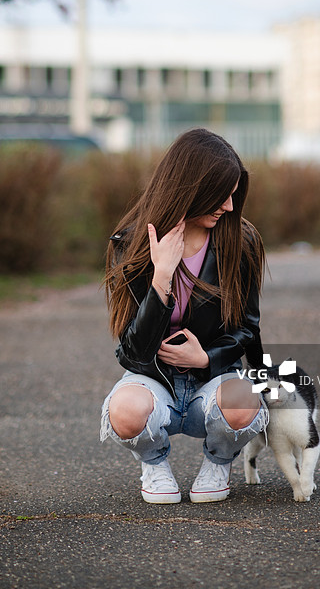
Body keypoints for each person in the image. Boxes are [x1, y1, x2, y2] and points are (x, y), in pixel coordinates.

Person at [100, 128, 268, 504]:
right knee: (124, 411)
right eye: (219, 194)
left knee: (244, 399)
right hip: (153, 381)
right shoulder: (129, 245)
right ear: (190, 187)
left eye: (233, 194)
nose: (227, 205)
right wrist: (161, 277)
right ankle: (155, 465)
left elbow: (248, 329)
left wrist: (206, 357)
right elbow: (131, 353)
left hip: (214, 381)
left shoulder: (241, 242)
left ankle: (219, 462)